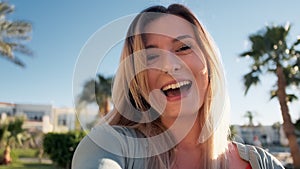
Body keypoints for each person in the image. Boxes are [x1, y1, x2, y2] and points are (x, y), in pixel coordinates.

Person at [72, 4, 284, 169]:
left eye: (183, 48)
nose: (169, 65)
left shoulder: (260, 163)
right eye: (151, 56)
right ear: (137, 79)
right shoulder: (110, 144)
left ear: (209, 63)